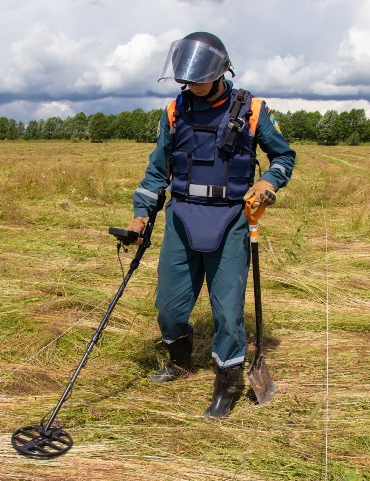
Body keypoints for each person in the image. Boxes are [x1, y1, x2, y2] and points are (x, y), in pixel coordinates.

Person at [124, 31, 295, 418]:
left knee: (228, 311)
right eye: (185, 80)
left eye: (197, 79)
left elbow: (284, 157)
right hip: (182, 218)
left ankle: (225, 385)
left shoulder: (253, 110)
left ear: (220, 71)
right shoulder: (173, 112)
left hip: (232, 219)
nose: (190, 86)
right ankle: (180, 362)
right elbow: (156, 172)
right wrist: (140, 216)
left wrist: (269, 181)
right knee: (168, 306)